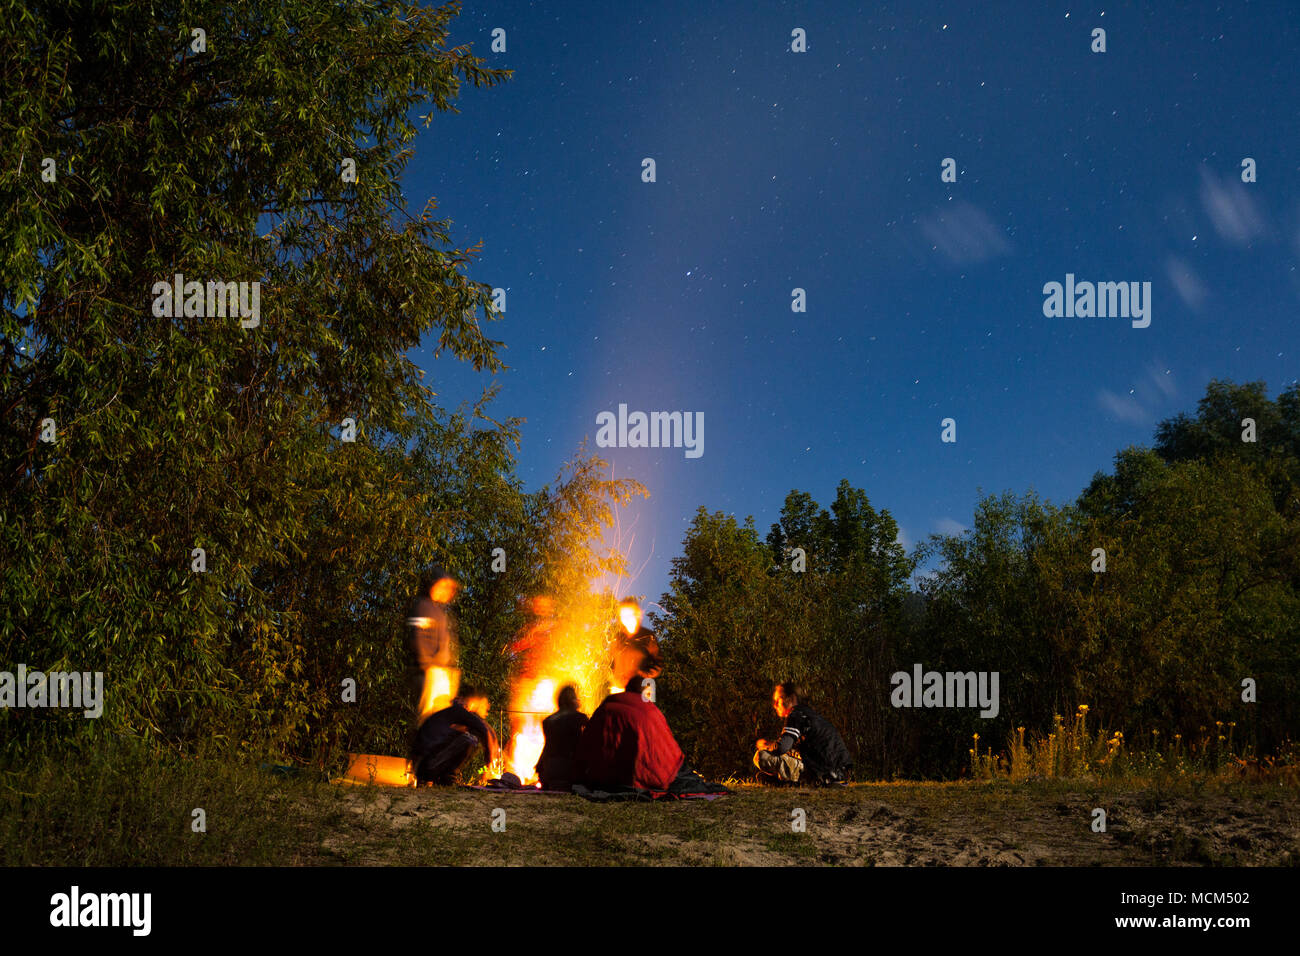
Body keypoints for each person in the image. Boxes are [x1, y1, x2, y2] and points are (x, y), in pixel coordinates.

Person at [577, 677, 684, 792]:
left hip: (600, 778)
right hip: (636, 780)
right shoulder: (649, 712)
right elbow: (665, 751)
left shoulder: (605, 707)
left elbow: (586, 743)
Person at [753, 682, 852, 785]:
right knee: (769, 771)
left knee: (761, 756)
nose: (775, 705)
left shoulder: (796, 714)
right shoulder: (811, 715)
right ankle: (788, 781)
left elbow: (782, 747)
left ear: (791, 699)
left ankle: (808, 780)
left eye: (778, 699)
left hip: (825, 773)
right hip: (841, 772)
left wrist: (767, 746)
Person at [406, 568, 460, 738]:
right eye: (443, 585)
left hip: (440, 673)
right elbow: (418, 636)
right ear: (432, 584)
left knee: (440, 722)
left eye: (450, 588)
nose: (447, 591)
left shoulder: (437, 611)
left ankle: (434, 759)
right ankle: (420, 761)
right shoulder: (422, 606)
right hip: (430, 673)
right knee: (428, 720)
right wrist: (427, 666)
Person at [410, 685, 498, 786]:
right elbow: (483, 729)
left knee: (467, 735)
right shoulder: (457, 711)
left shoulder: (447, 714)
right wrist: (490, 762)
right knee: (469, 739)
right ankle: (448, 777)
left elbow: (483, 728)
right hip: (428, 765)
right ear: (462, 699)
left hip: (423, 766)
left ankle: (442, 778)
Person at [534, 684, 588, 792]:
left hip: (550, 769)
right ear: (574, 700)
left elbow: (547, 748)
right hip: (571, 769)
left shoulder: (548, 721)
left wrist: (540, 768)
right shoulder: (581, 719)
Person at [610, 597, 663, 691]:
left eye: (629, 614)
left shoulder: (648, 637)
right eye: (623, 615)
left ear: (637, 614)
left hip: (640, 690)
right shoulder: (617, 638)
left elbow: (658, 663)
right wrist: (614, 678)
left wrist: (642, 674)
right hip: (618, 689)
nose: (626, 618)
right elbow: (610, 662)